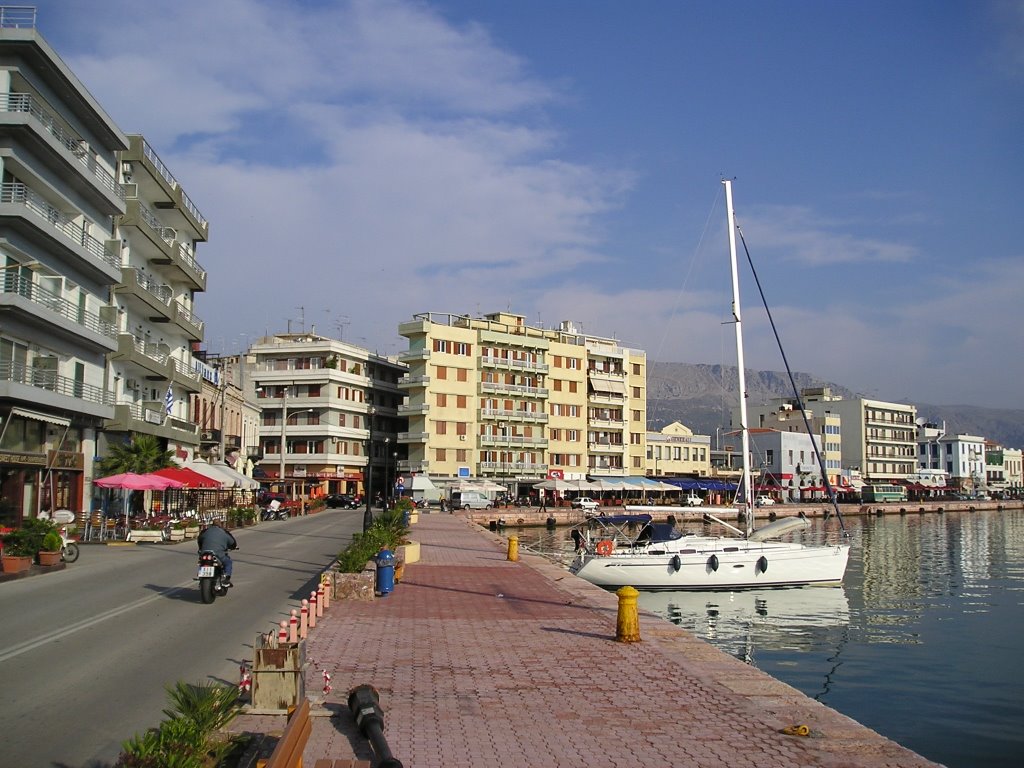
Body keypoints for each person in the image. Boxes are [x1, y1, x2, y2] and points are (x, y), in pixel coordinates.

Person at [198, 520, 238, 587]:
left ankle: (201, 578)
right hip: (218, 554)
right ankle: (226, 579)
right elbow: (233, 542)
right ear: (220, 525)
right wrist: (233, 547)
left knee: (202, 562)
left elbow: (199, 539)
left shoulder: (205, 531)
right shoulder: (224, 532)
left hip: (204, 553)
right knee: (228, 562)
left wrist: (201, 548)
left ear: (212, 524)